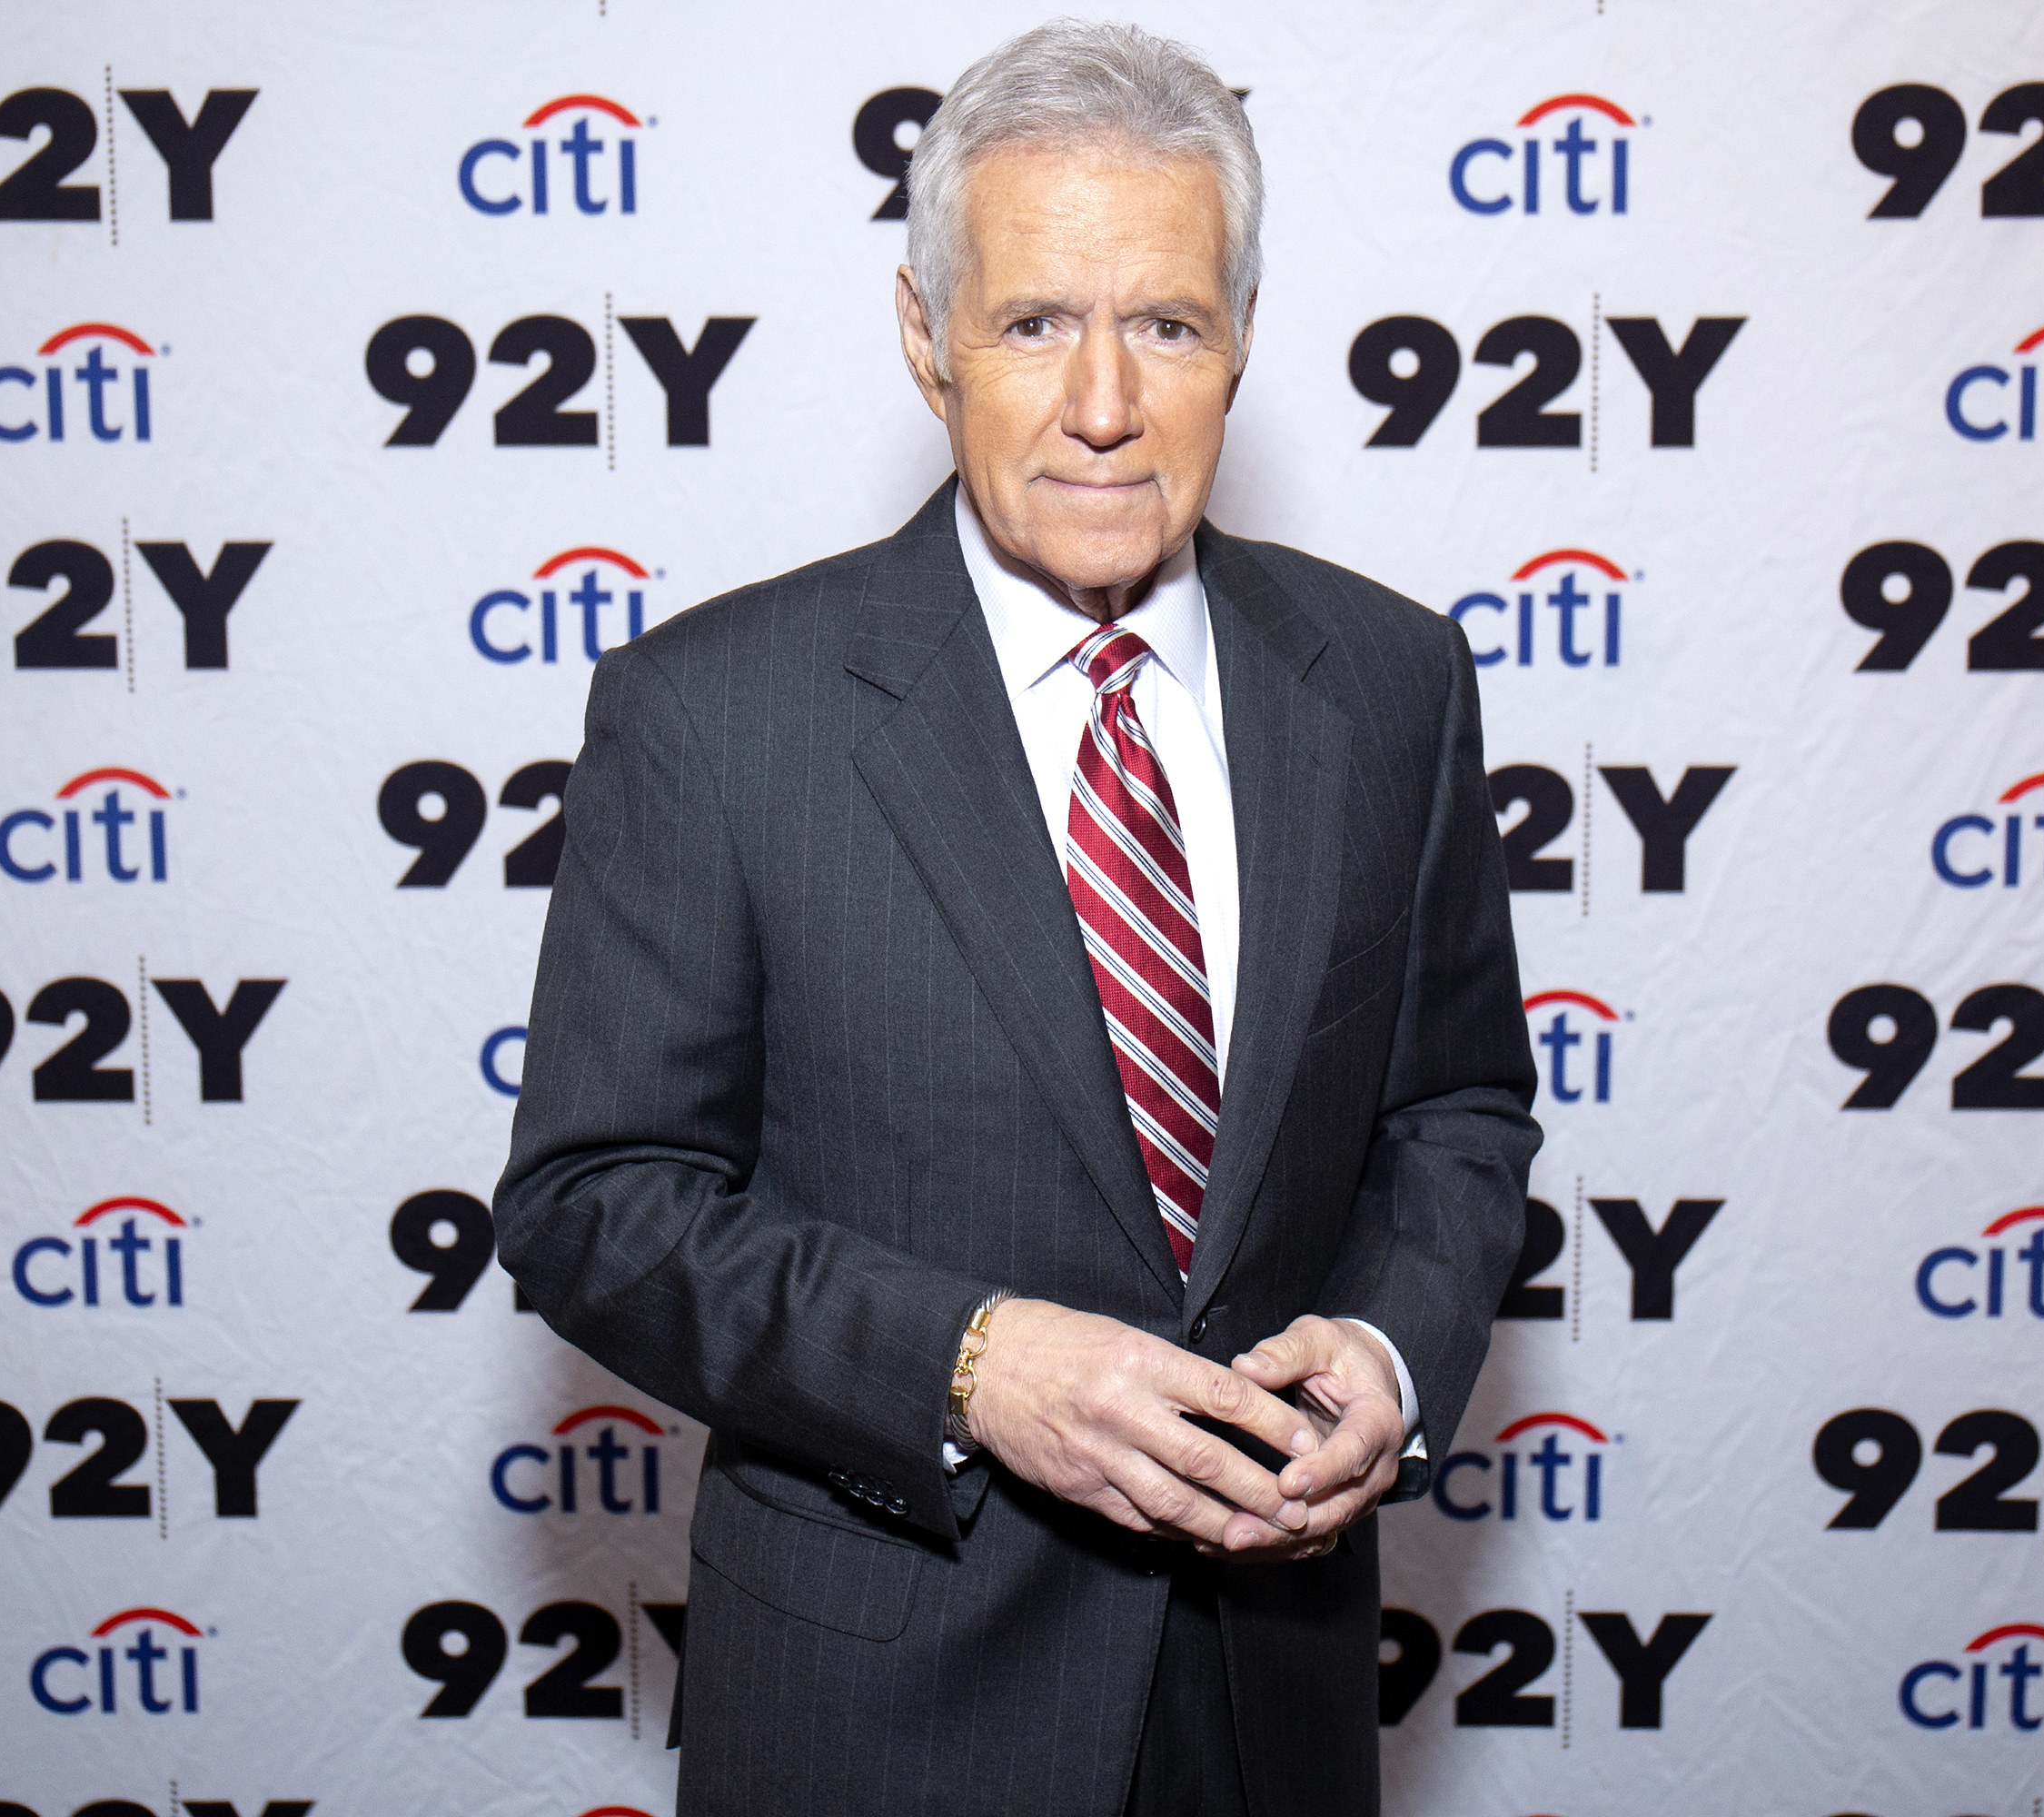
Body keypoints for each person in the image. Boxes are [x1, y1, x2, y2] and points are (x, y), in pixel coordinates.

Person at [494, 21, 1537, 1816]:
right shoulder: (720, 713)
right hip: (880, 1713)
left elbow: (1456, 1112)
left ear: (1244, 340)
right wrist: (971, 1362)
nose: (1106, 403)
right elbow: (596, 1210)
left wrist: (1385, 1347)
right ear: (927, 338)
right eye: (1037, 321)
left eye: (1170, 324)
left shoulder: (1388, 682)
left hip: (1273, 1694)